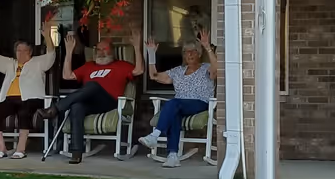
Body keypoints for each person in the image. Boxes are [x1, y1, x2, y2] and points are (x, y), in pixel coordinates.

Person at [44, 30, 140, 166]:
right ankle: (76, 152)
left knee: (93, 85)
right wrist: (69, 51)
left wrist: (137, 47)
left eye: (104, 49)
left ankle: (55, 108)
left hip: (109, 101)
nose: (100, 52)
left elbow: (139, 70)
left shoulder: (122, 65)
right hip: (90, 102)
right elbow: (67, 75)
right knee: (76, 106)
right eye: (98, 49)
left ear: (111, 51)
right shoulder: (89, 66)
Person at [0, 21, 56, 159]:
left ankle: (21, 149)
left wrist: (48, 37)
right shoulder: (10, 63)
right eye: (18, 50)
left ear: (30, 52)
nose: (20, 53)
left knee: (24, 110)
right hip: (10, 100)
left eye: (24, 50)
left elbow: (51, 55)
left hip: (32, 98)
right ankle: (2, 147)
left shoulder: (38, 62)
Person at [141, 30, 218, 166]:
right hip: (180, 105)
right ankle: (173, 155)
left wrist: (207, 47)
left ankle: (155, 135)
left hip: (200, 104)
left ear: (199, 54)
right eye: (186, 52)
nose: (189, 54)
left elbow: (217, 70)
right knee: (175, 113)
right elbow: (154, 76)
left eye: (193, 51)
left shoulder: (206, 68)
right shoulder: (177, 71)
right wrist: (151, 54)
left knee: (174, 103)